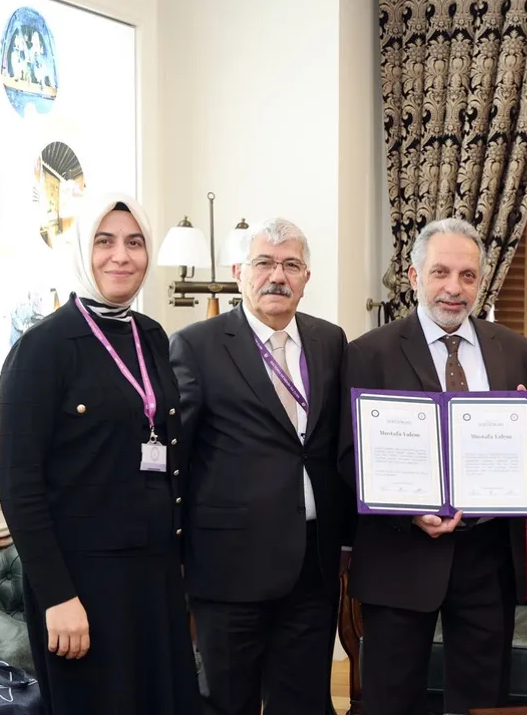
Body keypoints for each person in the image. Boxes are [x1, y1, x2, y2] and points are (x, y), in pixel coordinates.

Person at [340, 217, 527, 715]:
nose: (454, 288)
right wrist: (409, 510)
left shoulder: (516, 350)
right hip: (400, 553)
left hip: (487, 556)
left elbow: (526, 456)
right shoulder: (368, 352)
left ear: (481, 280)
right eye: (440, 272)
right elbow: (348, 456)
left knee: (483, 702)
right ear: (414, 276)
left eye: (467, 275)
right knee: (391, 701)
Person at [0, 193, 200, 715]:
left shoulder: (150, 335)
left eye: (135, 243)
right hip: (82, 583)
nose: (121, 257)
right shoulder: (42, 347)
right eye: (104, 242)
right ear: (81, 251)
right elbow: (18, 485)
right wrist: (58, 596)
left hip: (154, 572)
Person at [169, 218, 355, 715]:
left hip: (312, 564)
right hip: (228, 565)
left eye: (291, 265)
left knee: (304, 701)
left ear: (306, 277)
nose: (278, 276)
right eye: (264, 263)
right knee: (229, 702)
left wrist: (347, 539)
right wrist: (175, 546)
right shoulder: (197, 345)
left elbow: (338, 445)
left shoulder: (329, 341)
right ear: (239, 272)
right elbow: (177, 457)